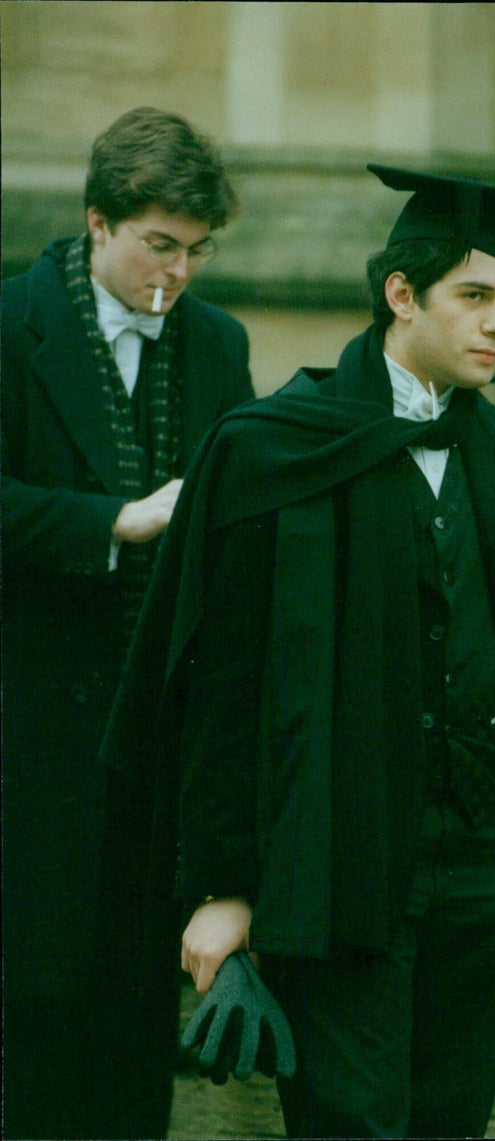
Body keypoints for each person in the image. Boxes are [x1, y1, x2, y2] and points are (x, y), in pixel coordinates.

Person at [100, 163, 495, 1138]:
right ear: (401, 295)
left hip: (483, 861)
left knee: (452, 1121)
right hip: (337, 860)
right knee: (352, 1124)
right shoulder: (271, 448)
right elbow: (218, 686)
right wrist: (224, 888)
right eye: (473, 297)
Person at [1, 106, 254, 1140]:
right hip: (27, 765)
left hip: (155, 771)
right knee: (30, 1053)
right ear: (98, 223)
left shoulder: (219, 343)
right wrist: (112, 521)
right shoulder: (11, 326)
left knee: (129, 1063)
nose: (178, 272)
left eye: (196, 250)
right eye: (159, 244)